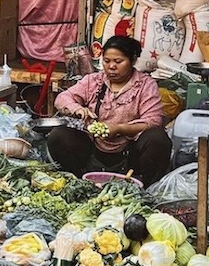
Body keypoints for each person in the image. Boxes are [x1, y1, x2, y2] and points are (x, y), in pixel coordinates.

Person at [48, 35, 171, 186]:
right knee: (59, 136)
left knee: (157, 138)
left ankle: (146, 186)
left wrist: (120, 128)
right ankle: (80, 182)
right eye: (106, 61)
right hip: (93, 149)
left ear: (132, 60)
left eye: (118, 62)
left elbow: (153, 120)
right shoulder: (94, 81)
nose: (111, 66)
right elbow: (62, 98)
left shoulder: (145, 85)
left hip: (130, 152)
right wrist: (78, 110)